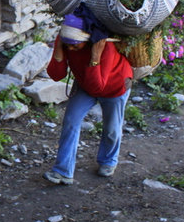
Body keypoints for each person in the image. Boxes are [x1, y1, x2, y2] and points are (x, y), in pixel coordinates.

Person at [43, 13, 133, 185]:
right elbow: (56, 75)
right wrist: (59, 52)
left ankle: (108, 161)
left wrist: (94, 59)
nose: (71, 49)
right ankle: (62, 171)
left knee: (112, 128)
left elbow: (98, 87)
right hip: (86, 84)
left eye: (75, 46)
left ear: (87, 39)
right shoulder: (66, 41)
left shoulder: (105, 46)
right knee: (71, 120)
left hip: (115, 87)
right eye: (67, 45)